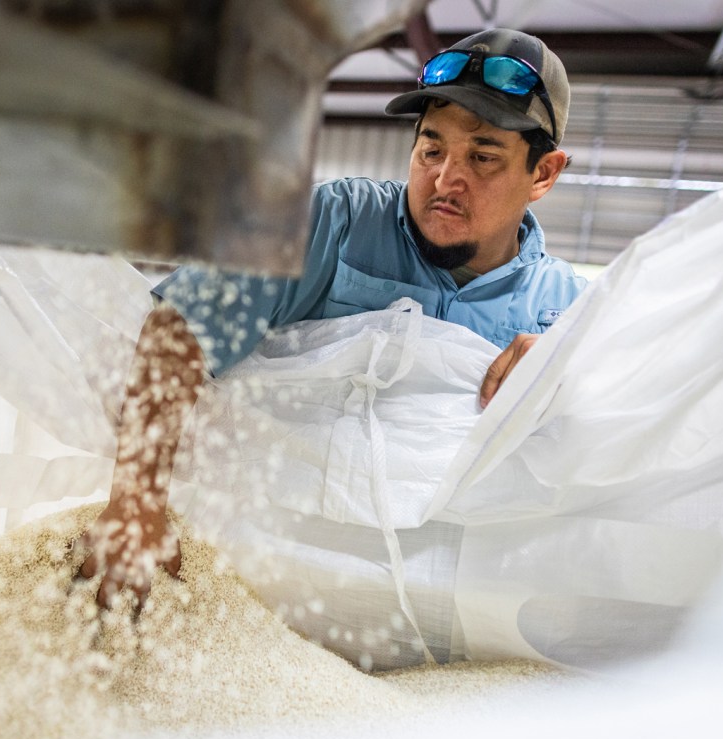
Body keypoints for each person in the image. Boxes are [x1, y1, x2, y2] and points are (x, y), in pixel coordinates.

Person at [79, 28, 587, 606]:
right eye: (431, 149)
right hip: (260, 581)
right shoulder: (335, 224)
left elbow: (610, 444)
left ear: (543, 173)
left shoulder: (568, 312)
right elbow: (178, 331)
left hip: (447, 613)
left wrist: (568, 373)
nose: (446, 179)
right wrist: (135, 507)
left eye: (483, 156)